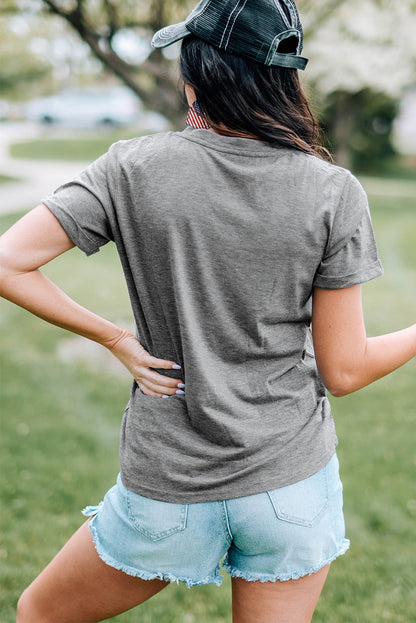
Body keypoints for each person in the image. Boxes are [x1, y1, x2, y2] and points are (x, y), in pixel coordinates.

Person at [1, 1, 415, 622]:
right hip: (290, 488)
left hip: (168, 487)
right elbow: (347, 370)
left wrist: (113, 337)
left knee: (40, 613)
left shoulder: (130, 167)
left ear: (198, 74)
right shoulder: (334, 191)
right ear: (285, 81)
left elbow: (8, 262)